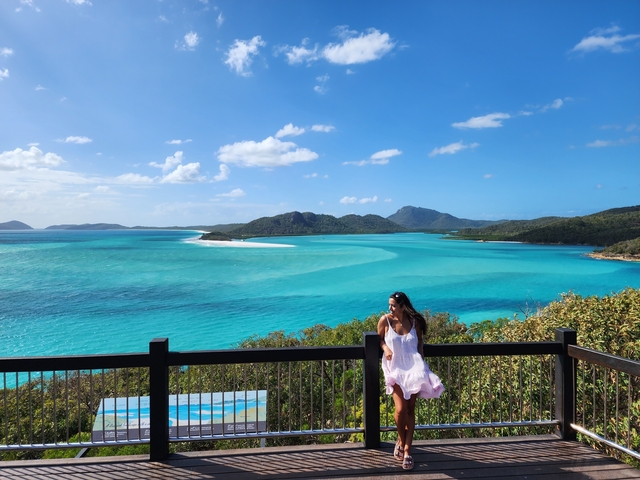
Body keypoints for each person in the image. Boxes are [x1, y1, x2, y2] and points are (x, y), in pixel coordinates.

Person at [378, 291, 444, 471]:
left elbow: (420, 341)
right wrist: (385, 349)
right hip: (395, 368)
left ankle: (407, 449)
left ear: (402, 306)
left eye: (393, 305)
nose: (389, 308)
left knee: (410, 409)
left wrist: (421, 359)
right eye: (389, 304)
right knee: (400, 410)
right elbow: (380, 340)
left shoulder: (415, 322)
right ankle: (400, 438)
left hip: (414, 368)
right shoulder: (385, 321)